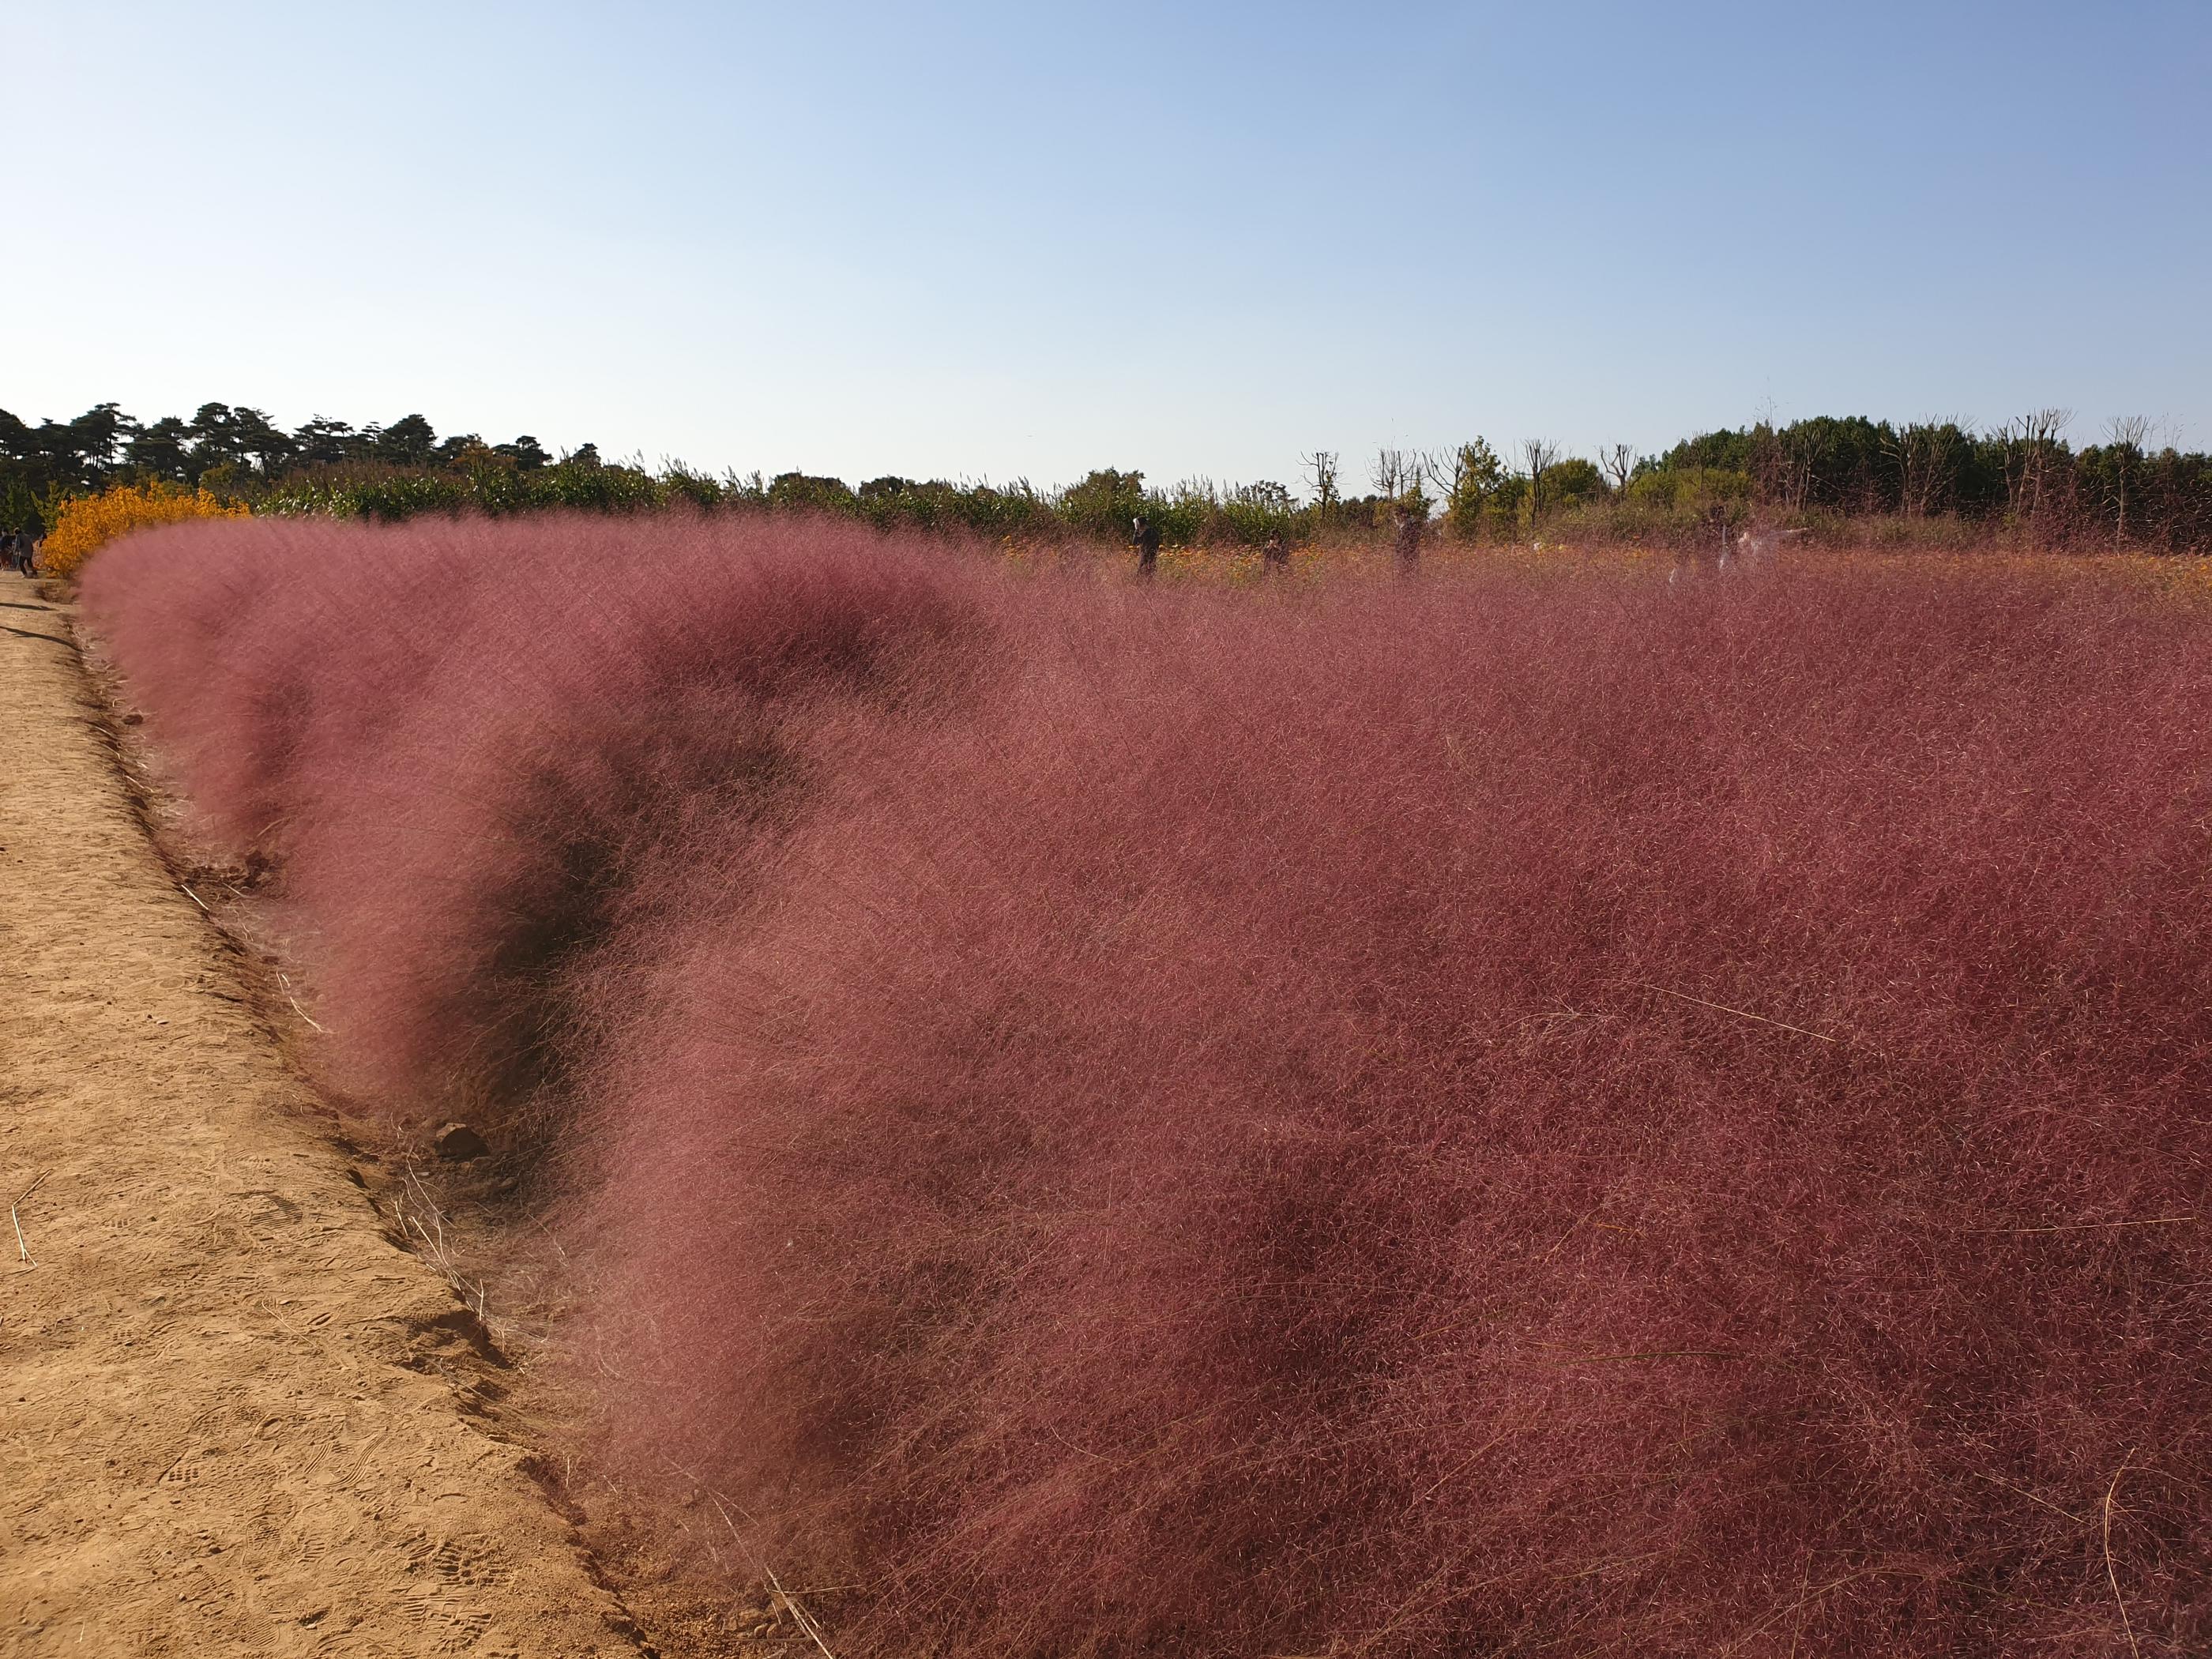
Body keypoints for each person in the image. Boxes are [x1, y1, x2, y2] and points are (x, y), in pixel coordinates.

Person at [1392, 500, 1423, 574]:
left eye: (1396, 516)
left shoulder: (1409, 527)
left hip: (1408, 561)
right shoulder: (1404, 528)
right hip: (1406, 561)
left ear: (1403, 515)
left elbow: (1408, 546)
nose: (1395, 520)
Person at [1130, 513, 1161, 577]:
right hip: (1151, 558)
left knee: (1140, 577)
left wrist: (1136, 531)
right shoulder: (1152, 532)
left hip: (1146, 558)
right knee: (1148, 576)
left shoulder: (1147, 533)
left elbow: (1134, 542)